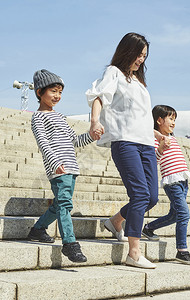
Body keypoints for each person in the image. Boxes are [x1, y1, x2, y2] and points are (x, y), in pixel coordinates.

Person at [86, 32, 163, 269]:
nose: (141, 60)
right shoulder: (114, 73)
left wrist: (157, 135)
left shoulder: (139, 82)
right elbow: (99, 97)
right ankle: (134, 252)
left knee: (151, 197)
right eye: (138, 54)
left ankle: (115, 221)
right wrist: (94, 121)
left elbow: (139, 116)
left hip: (146, 143)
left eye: (144, 56)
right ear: (127, 51)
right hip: (125, 143)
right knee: (139, 195)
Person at [27, 69, 100, 263]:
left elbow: (75, 141)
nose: (57, 96)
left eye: (60, 92)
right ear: (39, 92)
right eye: (53, 91)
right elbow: (43, 143)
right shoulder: (38, 117)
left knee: (60, 203)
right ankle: (70, 244)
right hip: (58, 168)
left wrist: (91, 136)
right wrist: (55, 163)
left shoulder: (60, 117)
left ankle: (37, 230)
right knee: (65, 205)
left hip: (71, 167)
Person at [142, 105, 190, 265]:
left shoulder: (172, 137)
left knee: (174, 215)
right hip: (171, 182)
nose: (173, 122)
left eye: (175, 119)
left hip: (183, 181)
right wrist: (160, 147)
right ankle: (182, 250)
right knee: (184, 213)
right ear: (159, 120)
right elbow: (154, 160)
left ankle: (148, 228)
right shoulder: (154, 139)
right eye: (170, 119)